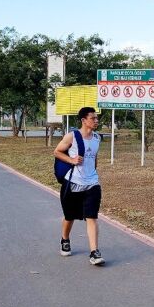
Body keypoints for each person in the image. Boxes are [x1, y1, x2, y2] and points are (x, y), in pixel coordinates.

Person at [53, 106, 105, 266]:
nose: (96, 121)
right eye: (93, 118)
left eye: (96, 118)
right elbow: (57, 152)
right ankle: (65, 239)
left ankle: (94, 252)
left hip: (92, 184)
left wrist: (92, 174)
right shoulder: (72, 137)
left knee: (92, 217)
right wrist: (72, 160)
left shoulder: (97, 138)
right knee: (70, 216)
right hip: (73, 183)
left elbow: (94, 158)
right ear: (84, 120)